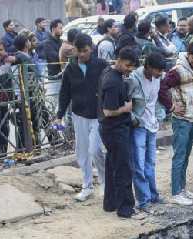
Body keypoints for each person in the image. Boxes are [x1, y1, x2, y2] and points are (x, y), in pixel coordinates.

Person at [58, 33, 107, 201]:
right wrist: (59, 115)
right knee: (82, 153)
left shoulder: (101, 65)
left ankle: (105, 182)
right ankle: (87, 186)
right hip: (79, 115)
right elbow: (64, 93)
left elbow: (110, 86)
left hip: (98, 116)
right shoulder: (70, 69)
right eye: (79, 51)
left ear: (91, 49)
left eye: (85, 51)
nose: (82, 55)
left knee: (95, 150)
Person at [159, 42, 193, 202]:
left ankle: (183, 189)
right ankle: (176, 192)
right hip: (182, 120)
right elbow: (162, 87)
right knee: (179, 155)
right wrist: (171, 106)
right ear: (188, 55)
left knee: (185, 155)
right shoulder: (177, 71)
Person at [98, 46, 137, 219]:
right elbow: (108, 111)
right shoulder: (112, 81)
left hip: (111, 129)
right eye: (128, 65)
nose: (130, 69)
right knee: (123, 168)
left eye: (133, 67)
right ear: (119, 60)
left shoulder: (111, 72)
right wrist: (126, 108)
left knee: (112, 165)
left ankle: (110, 203)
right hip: (114, 129)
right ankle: (125, 209)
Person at [128, 51, 164, 212]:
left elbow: (154, 101)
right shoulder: (134, 79)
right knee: (139, 165)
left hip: (152, 125)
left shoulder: (156, 79)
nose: (160, 74)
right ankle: (143, 200)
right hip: (139, 126)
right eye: (158, 70)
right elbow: (126, 101)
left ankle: (153, 195)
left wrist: (159, 115)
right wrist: (134, 119)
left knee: (151, 163)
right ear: (148, 67)